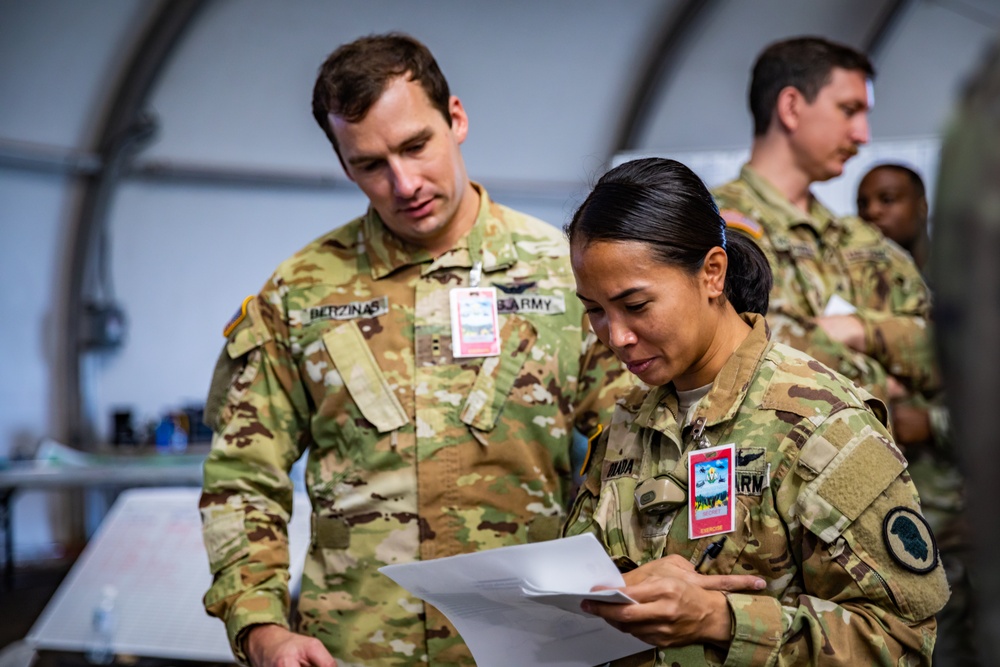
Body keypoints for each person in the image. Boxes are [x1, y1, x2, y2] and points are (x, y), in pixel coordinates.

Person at [198, 33, 628, 667]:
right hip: (353, 649)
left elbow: (637, 446)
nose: (404, 182)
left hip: (531, 643)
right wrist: (260, 625)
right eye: (370, 164)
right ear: (344, 165)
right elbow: (243, 477)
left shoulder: (563, 274)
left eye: (415, 146)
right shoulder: (302, 293)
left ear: (455, 119)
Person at [563, 157, 949, 666]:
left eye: (635, 306)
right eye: (595, 310)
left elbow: (902, 642)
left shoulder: (822, 424)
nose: (617, 337)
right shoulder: (628, 424)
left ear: (712, 274)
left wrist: (722, 620)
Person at [712, 37, 938, 406]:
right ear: (791, 107)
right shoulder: (708, 227)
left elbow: (953, 348)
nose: (862, 135)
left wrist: (857, 330)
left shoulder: (860, 238)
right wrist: (889, 387)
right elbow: (753, 352)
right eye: (849, 110)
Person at [857, 163, 930, 270]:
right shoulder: (851, 277)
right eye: (862, 204)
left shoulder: (956, 273)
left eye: (887, 200)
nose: (871, 211)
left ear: (922, 207)